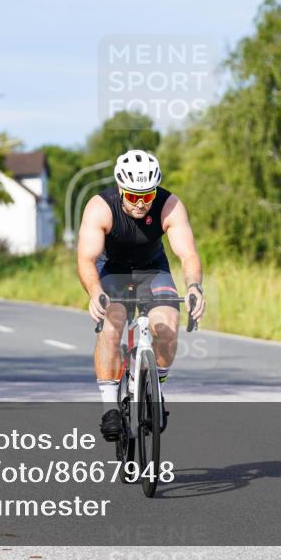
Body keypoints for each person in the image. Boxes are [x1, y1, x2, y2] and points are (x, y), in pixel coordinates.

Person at [76, 150, 206, 441]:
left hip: (152, 269)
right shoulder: (100, 207)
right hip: (113, 271)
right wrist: (95, 291)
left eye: (147, 195)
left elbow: (188, 254)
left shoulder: (169, 204)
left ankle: (155, 386)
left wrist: (195, 286)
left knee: (168, 326)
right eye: (133, 196)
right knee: (113, 324)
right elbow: (86, 258)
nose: (140, 203)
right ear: (121, 189)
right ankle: (110, 406)